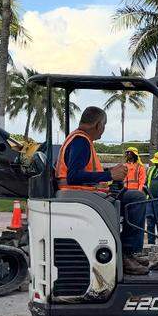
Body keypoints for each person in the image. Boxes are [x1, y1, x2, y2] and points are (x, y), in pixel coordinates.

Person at [56, 106, 148, 276]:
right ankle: (126, 254)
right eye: (104, 126)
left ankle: (127, 252)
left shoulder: (79, 140)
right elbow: (74, 176)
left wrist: (109, 173)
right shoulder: (81, 141)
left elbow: (81, 172)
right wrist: (109, 174)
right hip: (80, 195)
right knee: (136, 198)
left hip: (83, 194)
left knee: (133, 196)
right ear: (98, 125)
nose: (103, 131)